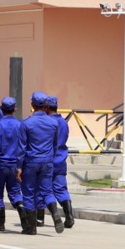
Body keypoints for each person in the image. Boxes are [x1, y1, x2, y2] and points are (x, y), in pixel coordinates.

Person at [17, 92, 65, 235]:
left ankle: (31, 227)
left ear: (32, 105)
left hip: (31, 161)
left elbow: (21, 147)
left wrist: (19, 167)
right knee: (47, 191)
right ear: (45, 105)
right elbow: (55, 144)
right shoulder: (53, 123)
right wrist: (51, 157)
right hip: (47, 161)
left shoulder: (26, 123)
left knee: (29, 193)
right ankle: (55, 212)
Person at [0, 97, 27, 231]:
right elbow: (23, 146)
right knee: (16, 192)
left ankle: (0, 224)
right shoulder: (20, 125)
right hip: (15, 164)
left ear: (1, 108)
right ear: (15, 109)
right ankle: (23, 214)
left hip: (0, 164)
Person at [47, 96, 75, 228]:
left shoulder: (47, 122)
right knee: (61, 188)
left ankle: (50, 216)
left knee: (45, 189)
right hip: (60, 159)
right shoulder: (63, 122)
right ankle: (69, 215)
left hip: (47, 160)